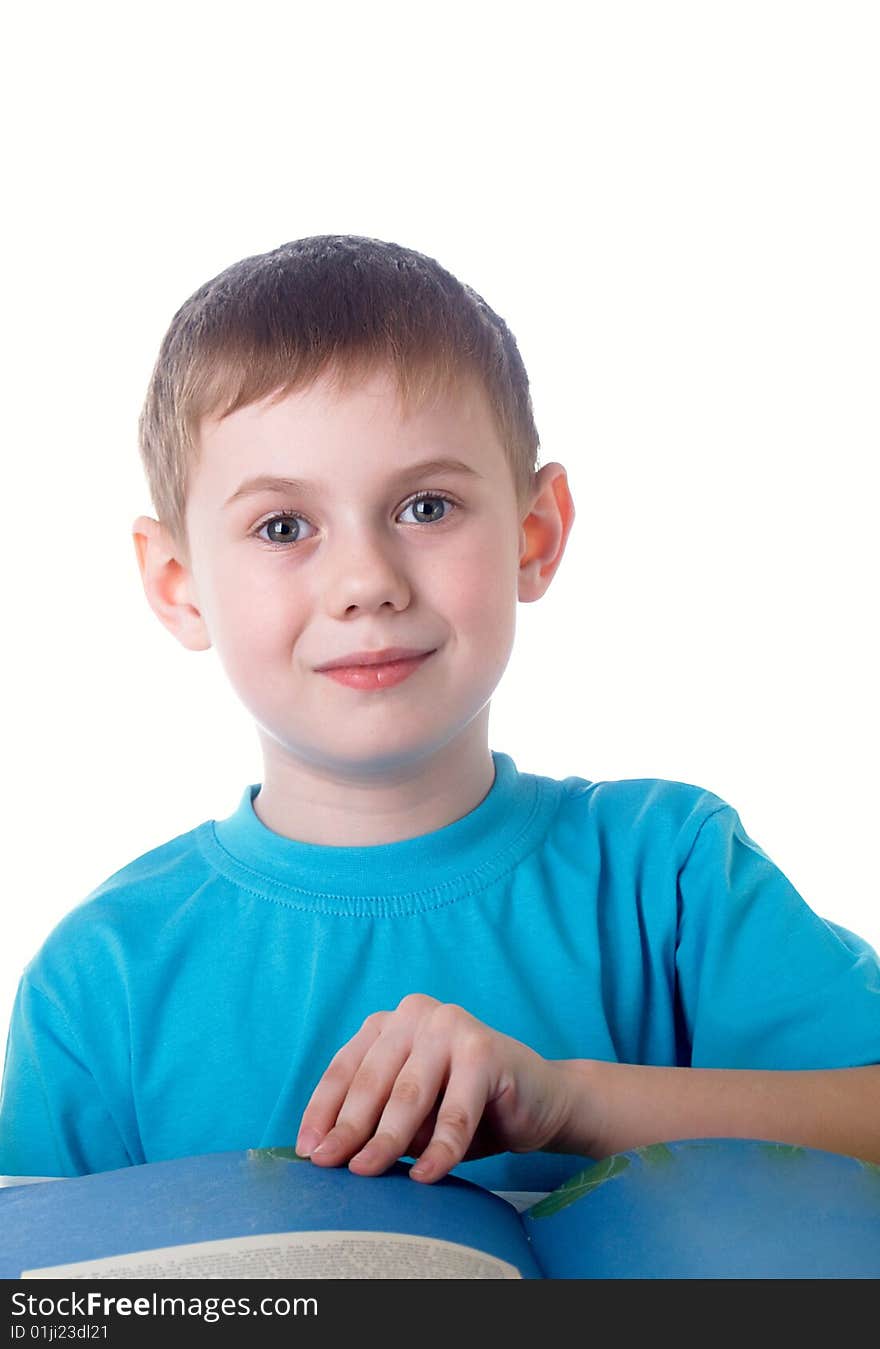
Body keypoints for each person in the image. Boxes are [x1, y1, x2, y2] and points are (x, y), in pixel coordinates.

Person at [0, 236, 878, 1193]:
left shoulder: (669, 874)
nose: (367, 582)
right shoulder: (102, 980)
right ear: (179, 585)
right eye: (283, 527)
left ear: (535, 536)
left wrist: (570, 1101)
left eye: (425, 506)